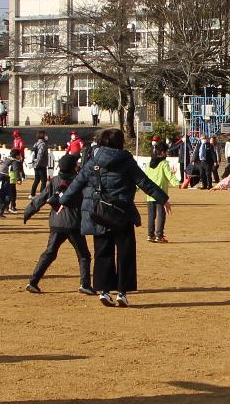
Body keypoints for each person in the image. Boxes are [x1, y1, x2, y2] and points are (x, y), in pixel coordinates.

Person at [60, 128, 166, 308]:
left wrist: (64, 200)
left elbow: (78, 182)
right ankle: (122, 293)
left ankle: (104, 291)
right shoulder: (126, 161)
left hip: (98, 212)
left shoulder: (93, 160)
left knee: (102, 252)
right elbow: (143, 182)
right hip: (121, 212)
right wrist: (162, 198)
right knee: (125, 253)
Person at [22, 152, 93, 295]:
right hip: (73, 224)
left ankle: (33, 281)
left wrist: (28, 212)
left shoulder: (54, 181)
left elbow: (41, 198)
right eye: (76, 164)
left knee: (49, 253)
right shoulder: (79, 182)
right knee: (84, 255)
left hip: (56, 223)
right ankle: (84, 284)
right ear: (73, 168)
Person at [140, 143, 175, 243]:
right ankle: (159, 235)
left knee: (151, 215)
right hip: (161, 194)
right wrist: (178, 183)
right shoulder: (164, 163)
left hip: (150, 193)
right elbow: (169, 176)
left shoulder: (149, 163)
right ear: (163, 152)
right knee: (161, 215)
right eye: (167, 151)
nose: (167, 153)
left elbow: (144, 178)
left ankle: (150, 235)